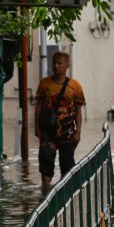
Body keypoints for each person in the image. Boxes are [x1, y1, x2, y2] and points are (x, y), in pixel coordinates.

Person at [34, 51, 86, 187]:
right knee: (45, 169)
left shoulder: (75, 86)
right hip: (47, 133)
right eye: (54, 63)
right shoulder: (44, 84)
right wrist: (37, 128)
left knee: (67, 168)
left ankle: (65, 194)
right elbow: (38, 106)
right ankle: (46, 193)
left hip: (67, 132)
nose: (56, 66)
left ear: (67, 65)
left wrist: (78, 132)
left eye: (59, 63)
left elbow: (78, 111)